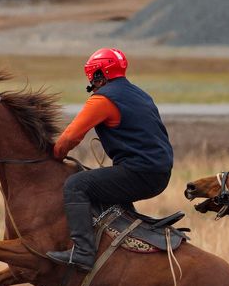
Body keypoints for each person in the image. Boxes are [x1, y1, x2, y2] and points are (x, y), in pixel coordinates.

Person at [46, 48, 174, 270]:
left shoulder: (103, 99)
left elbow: (70, 137)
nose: (91, 81)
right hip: (158, 172)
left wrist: (54, 155)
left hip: (140, 172)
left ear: (98, 74)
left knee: (76, 185)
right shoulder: (140, 94)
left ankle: (83, 253)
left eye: (92, 76)